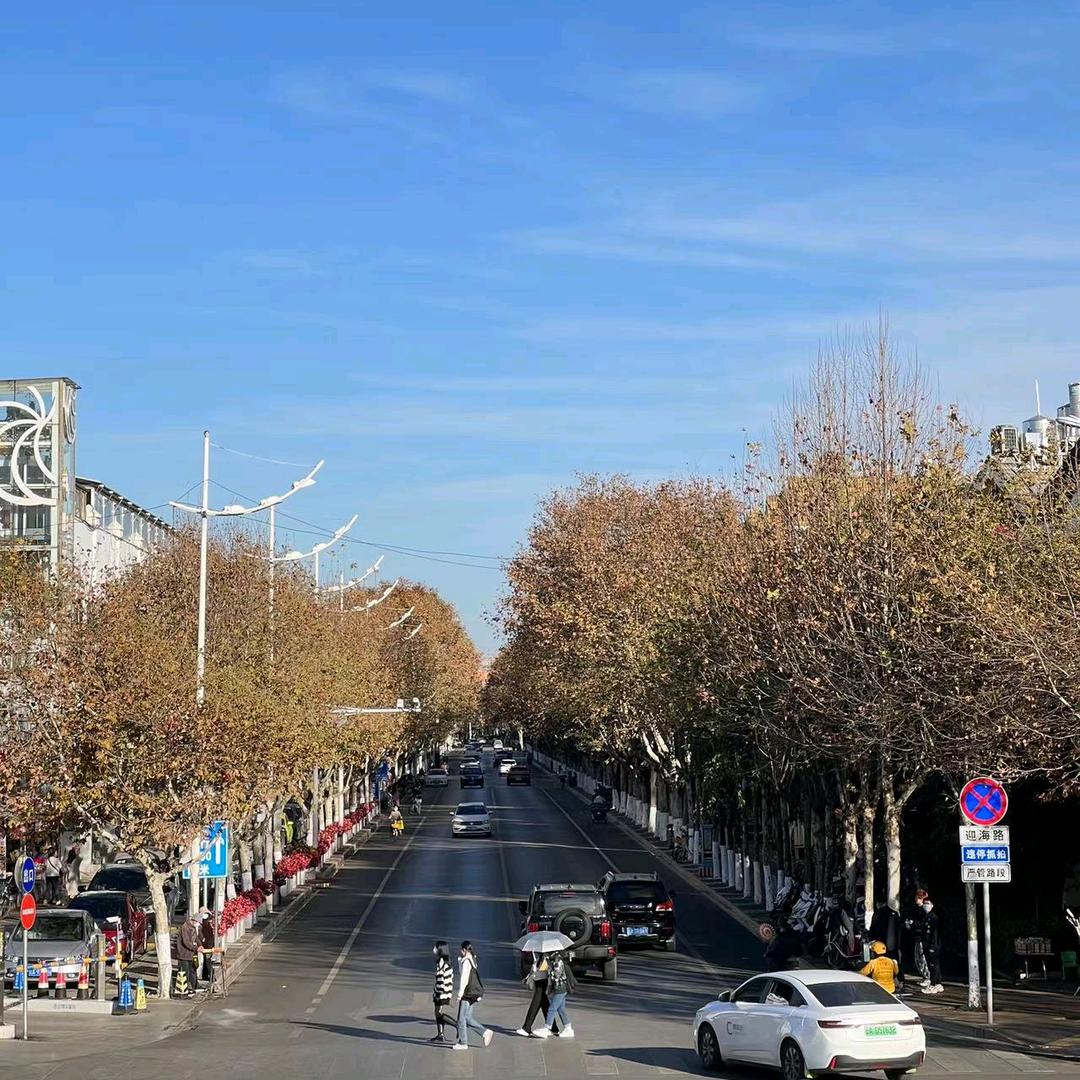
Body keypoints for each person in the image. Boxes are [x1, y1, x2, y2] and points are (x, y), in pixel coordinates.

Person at [453, 941, 493, 1050]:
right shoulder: (472, 959)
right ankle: (485, 1032)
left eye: (461, 950)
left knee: (461, 1018)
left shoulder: (466, 961)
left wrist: (459, 995)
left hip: (467, 993)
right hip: (473, 993)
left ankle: (463, 1042)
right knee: (468, 1018)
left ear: (465, 950)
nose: (460, 951)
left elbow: (464, 979)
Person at [534, 950, 575, 1039]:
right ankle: (568, 1028)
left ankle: (547, 1028)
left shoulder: (557, 961)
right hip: (559, 988)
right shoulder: (552, 960)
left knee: (552, 1009)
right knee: (561, 1009)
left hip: (560, 988)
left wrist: (550, 967)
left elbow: (556, 975)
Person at [517, 951, 553, 1037]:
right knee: (545, 1004)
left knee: (536, 1003)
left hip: (542, 980)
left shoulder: (547, 957)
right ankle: (554, 1027)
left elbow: (544, 969)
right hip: (539, 980)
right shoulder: (540, 956)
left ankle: (526, 1027)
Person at [907, 889, 932, 990]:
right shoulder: (917, 910)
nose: (915, 899)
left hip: (922, 938)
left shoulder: (923, 911)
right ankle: (924, 976)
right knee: (918, 958)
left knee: (922, 958)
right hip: (917, 937)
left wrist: (913, 923)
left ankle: (927, 977)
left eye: (917, 897)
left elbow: (923, 924)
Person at [430, 941, 455, 1042]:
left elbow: (440, 979)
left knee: (438, 1012)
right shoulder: (447, 961)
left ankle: (456, 1026)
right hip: (445, 991)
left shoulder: (440, 962)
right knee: (437, 1012)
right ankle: (440, 1034)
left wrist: (439, 995)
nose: (434, 949)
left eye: (436, 947)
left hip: (441, 993)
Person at [919, 899, 943, 994]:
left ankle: (933, 985)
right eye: (924, 904)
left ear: (932, 905)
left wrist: (932, 946)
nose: (925, 905)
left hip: (933, 946)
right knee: (934, 965)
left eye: (928, 904)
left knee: (933, 965)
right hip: (928, 944)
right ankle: (938, 983)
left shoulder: (933, 918)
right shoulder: (926, 917)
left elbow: (935, 934)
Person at [177, 912, 201, 995]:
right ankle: (184, 990)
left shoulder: (193, 927)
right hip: (184, 954)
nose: (198, 924)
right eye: (198, 922)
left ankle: (193, 987)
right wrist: (196, 948)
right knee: (185, 973)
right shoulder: (185, 927)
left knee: (192, 971)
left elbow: (196, 938)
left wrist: (200, 945)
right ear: (194, 921)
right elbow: (186, 942)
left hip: (191, 954)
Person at [198, 906, 216, 982]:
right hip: (207, 945)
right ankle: (210, 976)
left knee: (207, 960)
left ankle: (206, 975)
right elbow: (202, 935)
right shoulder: (202, 925)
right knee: (208, 961)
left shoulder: (206, 924)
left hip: (209, 944)